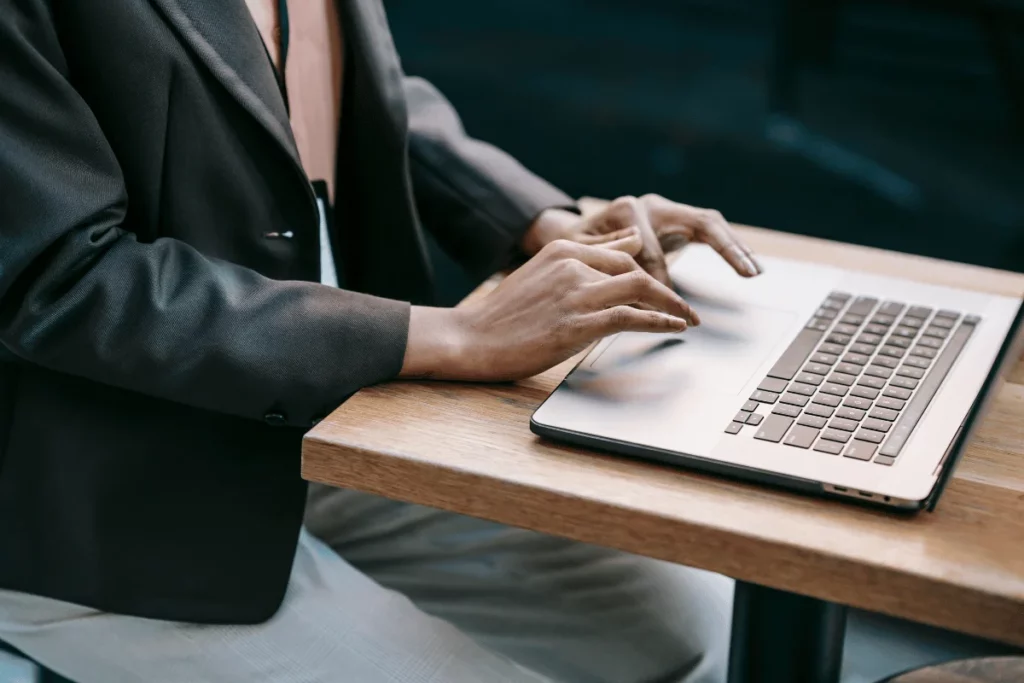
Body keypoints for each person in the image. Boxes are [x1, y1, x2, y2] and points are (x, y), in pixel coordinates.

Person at [0, 2, 1004, 682]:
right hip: (102, 497)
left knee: (686, 633)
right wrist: (455, 332)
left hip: (316, 425)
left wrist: (543, 222)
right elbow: (58, 274)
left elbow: (356, 88)